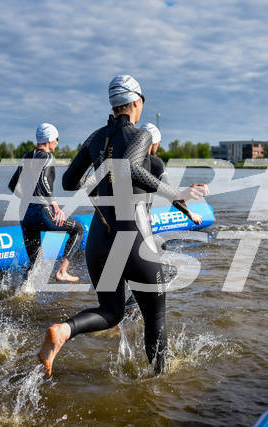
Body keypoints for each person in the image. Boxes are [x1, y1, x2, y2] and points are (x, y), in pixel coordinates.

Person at [38, 75, 209, 376]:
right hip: (133, 238)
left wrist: (99, 179)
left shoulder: (94, 138)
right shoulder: (140, 136)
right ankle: (158, 385)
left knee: (110, 311)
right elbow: (130, 167)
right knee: (155, 317)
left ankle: (64, 330)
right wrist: (177, 194)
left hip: (100, 239)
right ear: (135, 102)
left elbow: (69, 181)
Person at [8, 123, 84, 282]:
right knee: (77, 229)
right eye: (56, 139)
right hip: (41, 212)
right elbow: (43, 182)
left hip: (24, 214)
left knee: (35, 263)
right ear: (50, 139)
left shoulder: (27, 156)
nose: (57, 143)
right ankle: (62, 271)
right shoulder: (48, 157)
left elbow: (13, 185)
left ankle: (22, 290)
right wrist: (55, 206)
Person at [140, 122, 203, 225]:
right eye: (158, 144)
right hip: (141, 222)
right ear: (155, 142)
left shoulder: (128, 158)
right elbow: (171, 194)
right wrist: (190, 214)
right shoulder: (156, 163)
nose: (158, 147)